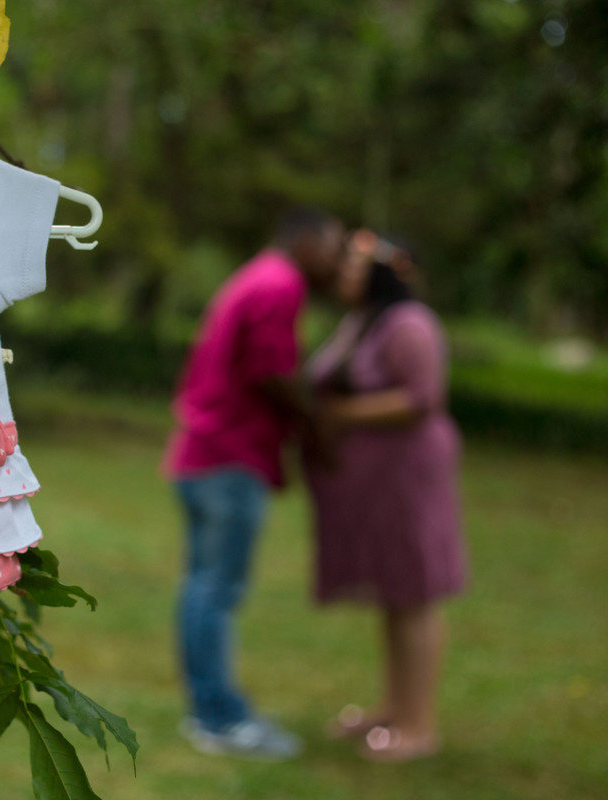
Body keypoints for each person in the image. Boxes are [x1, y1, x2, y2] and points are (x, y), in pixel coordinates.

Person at [165, 208, 344, 760]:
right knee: (217, 589)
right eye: (333, 245)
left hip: (203, 454)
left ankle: (208, 711)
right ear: (306, 240)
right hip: (229, 458)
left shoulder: (257, 275)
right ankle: (221, 719)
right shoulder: (280, 284)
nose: (336, 260)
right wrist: (312, 427)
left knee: (203, 586)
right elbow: (271, 372)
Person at [303, 229, 466, 761]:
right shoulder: (362, 322)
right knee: (393, 594)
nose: (342, 274)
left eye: (353, 266)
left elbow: (423, 397)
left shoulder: (410, 324)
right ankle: (392, 709)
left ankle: (420, 727)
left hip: (408, 478)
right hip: (374, 485)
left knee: (415, 595)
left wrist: (338, 416)